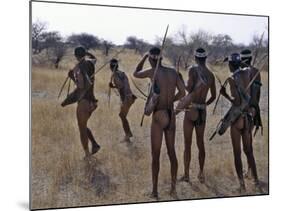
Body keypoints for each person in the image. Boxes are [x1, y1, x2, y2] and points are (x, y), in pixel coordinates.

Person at [134, 47, 186, 199]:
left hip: (159, 115)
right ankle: (173, 188)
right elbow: (183, 93)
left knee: (155, 155)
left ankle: (155, 191)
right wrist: (171, 100)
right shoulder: (173, 72)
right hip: (171, 114)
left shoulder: (152, 72)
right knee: (172, 152)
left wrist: (143, 58)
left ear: (151, 59)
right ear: (161, 59)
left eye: (149, 59)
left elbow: (136, 73)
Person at [220, 53, 261, 192]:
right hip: (248, 117)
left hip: (237, 119)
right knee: (249, 151)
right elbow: (250, 69)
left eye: (229, 64)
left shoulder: (232, 79)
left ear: (231, 65)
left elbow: (236, 101)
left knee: (237, 153)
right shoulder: (248, 73)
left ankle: (242, 185)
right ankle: (256, 181)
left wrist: (225, 94)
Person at [180, 48, 216, 183]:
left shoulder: (192, 70)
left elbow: (189, 89)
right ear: (205, 58)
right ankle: (201, 173)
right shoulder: (210, 75)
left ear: (195, 58)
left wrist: (180, 80)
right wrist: (205, 104)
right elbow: (213, 96)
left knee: (187, 144)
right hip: (202, 111)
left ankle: (186, 175)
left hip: (191, 110)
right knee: (200, 143)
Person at [61, 46, 100, 159]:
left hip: (84, 102)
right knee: (83, 125)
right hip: (92, 101)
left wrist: (72, 77)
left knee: (81, 128)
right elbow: (94, 59)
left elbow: (82, 85)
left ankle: (87, 154)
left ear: (75, 55)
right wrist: (87, 53)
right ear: (84, 54)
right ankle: (95, 145)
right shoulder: (90, 63)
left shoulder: (79, 67)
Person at [240, 49, 263, 179]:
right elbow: (257, 94)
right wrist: (255, 108)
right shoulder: (256, 72)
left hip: (245, 110)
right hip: (254, 109)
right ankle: (249, 171)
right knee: (248, 143)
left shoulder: (243, 73)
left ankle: (252, 174)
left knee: (247, 145)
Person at [108, 59, 137, 142]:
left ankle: (128, 135)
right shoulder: (122, 73)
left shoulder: (115, 75)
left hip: (126, 98)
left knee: (122, 116)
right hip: (130, 96)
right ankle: (127, 135)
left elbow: (120, 86)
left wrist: (112, 86)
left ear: (111, 67)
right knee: (122, 116)